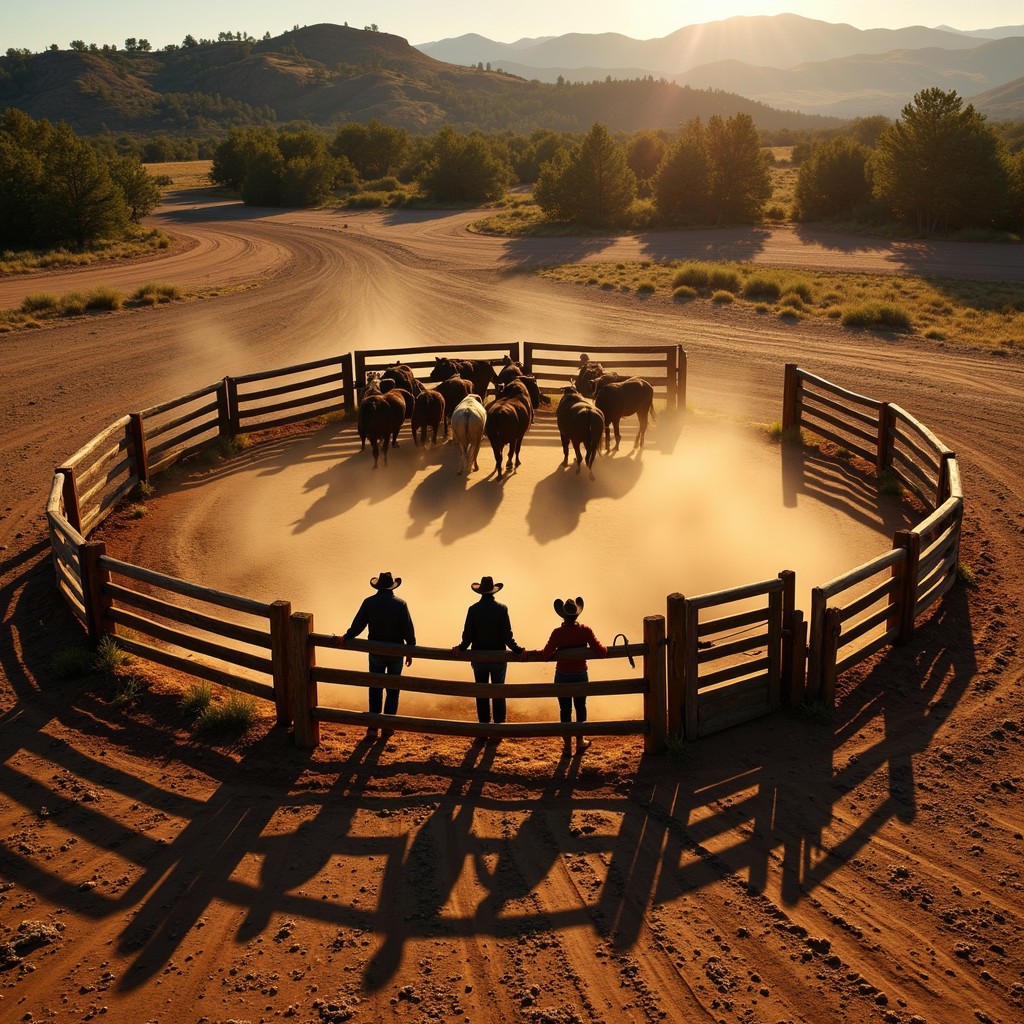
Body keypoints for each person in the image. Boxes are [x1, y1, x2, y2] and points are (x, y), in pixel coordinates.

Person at [340, 571, 415, 739]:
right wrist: (410, 651)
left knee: (375, 688)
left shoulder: (369, 602)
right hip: (396, 654)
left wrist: (346, 637)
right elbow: (408, 631)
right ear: (392, 587)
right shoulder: (401, 604)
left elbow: (357, 626)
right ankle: (388, 727)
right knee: (393, 690)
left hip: (375, 652)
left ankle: (373, 727)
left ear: (378, 586)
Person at [540, 596, 607, 757]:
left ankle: (567, 745)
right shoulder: (585, 631)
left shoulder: (557, 633)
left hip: (562, 675)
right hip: (580, 675)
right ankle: (580, 741)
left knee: (565, 709)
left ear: (563, 615)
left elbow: (546, 654)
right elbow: (602, 651)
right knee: (580, 707)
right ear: (577, 615)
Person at [456, 576, 524, 732]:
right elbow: (507, 636)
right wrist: (518, 650)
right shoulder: (502, 609)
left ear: (480, 592)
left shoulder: (473, 609)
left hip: (479, 658)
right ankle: (498, 729)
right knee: (498, 691)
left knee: (481, 693)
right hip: (498, 658)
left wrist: (461, 647)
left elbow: (468, 635)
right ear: (493, 591)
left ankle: (483, 728)